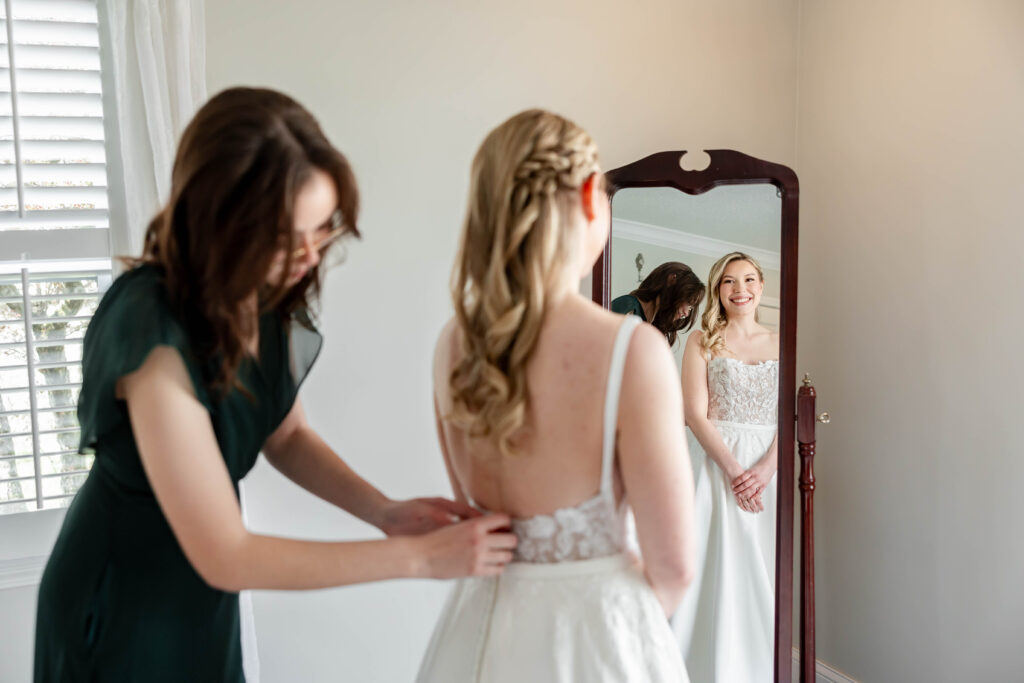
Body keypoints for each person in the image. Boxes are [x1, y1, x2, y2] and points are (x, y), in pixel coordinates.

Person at [33, 87, 515, 683]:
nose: (311, 258)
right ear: (221, 218)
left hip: (199, 593)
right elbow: (227, 554)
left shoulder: (258, 299)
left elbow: (286, 436)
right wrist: (417, 558)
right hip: (124, 595)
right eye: (291, 238)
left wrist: (385, 513)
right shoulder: (149, 330)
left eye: (322, 231)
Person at [416, 109, 696, 682]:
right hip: (595, 639)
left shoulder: (454, 344)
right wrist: (623, 635)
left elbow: (479, 522)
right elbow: (675, 568)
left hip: (479, 635)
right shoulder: (632, 350)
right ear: (593, 195)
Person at [672, 251, 779, 683]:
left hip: (765, 466)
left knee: (759, 562)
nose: (741, 290)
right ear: (718, 290)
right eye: (730, 282)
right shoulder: (701, 340)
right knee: (713, 561)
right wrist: (735, 472)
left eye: (750, 280)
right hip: (717, 462)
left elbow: (789, 415)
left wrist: (767, 469)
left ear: (761, 287)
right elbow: (694, 415)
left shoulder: (781, 340)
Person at [610, 261, 705, 346]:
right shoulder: (628, 305)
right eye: (688, 303)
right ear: (671, 280)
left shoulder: (652, 327)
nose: (686, 313)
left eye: (690, 308)